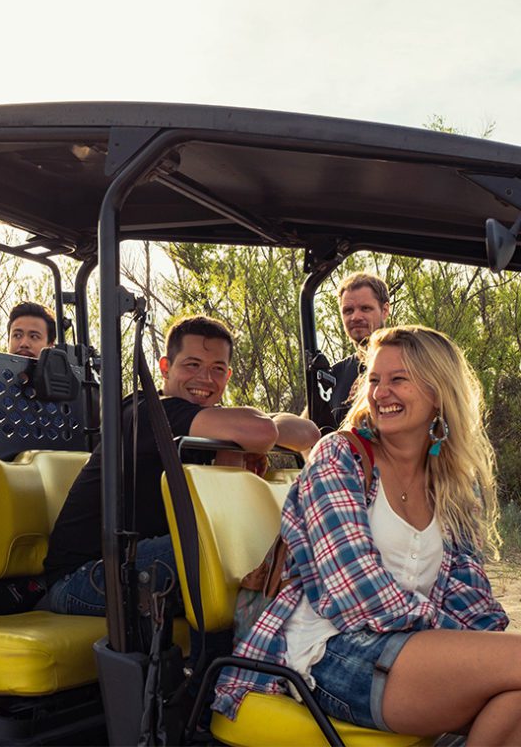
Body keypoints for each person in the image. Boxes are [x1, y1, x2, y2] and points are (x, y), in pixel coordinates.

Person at [214, 325, 519, 744]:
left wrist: (478, 648)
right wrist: (458, 644)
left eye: (399, 379)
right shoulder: (340, 457)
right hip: (332, 653)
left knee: (515, 700)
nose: (381, 393)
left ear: (438, 392)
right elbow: (354, 593)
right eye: (375, 380)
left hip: (409, 648)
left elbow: (472, 598)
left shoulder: (450, 485)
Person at [43, 315, 321, 616]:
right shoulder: (147, 412)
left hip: (139, 561)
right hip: (84, 578)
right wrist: (255, 435)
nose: (205, 378)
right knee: (219, 547)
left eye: (217, 369)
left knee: (273, 541)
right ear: (165, 368)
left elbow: (308, 433)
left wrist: (252, 436)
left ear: (227, 377)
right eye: (192, 364)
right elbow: (262, 432)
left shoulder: (209, 425)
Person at [328, 272, 390, 429]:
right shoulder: (335, 374)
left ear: (385, 310)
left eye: (365, 308)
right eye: (348, 311)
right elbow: (309, 427)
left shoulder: (409, 361)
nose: (356, 317)